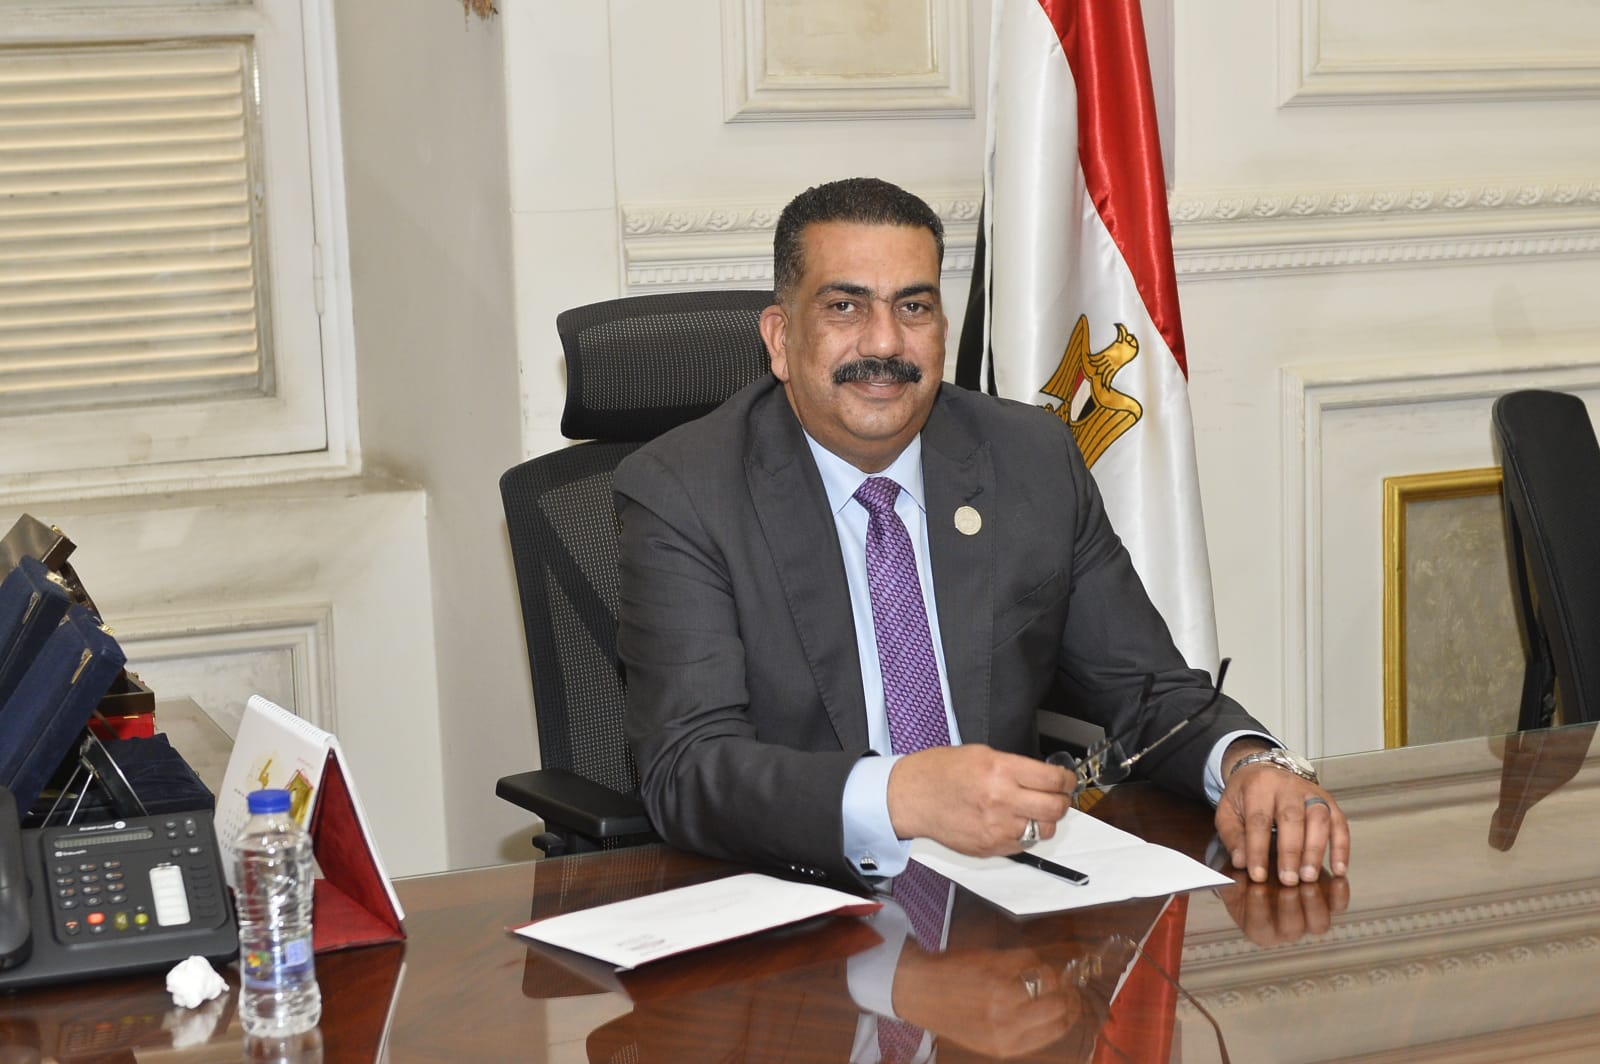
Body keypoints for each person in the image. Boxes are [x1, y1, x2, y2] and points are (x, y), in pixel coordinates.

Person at [614, 177, 1349, 891]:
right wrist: (899, 795)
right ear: (780, 339)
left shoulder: (1028, 458)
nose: (885, 341)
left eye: (914, 307)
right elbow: (687, 766)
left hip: (1009, 894)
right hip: (801, 897)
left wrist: (1252, 764)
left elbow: (1145, 685)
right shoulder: (686, 491)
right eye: (844, 307)